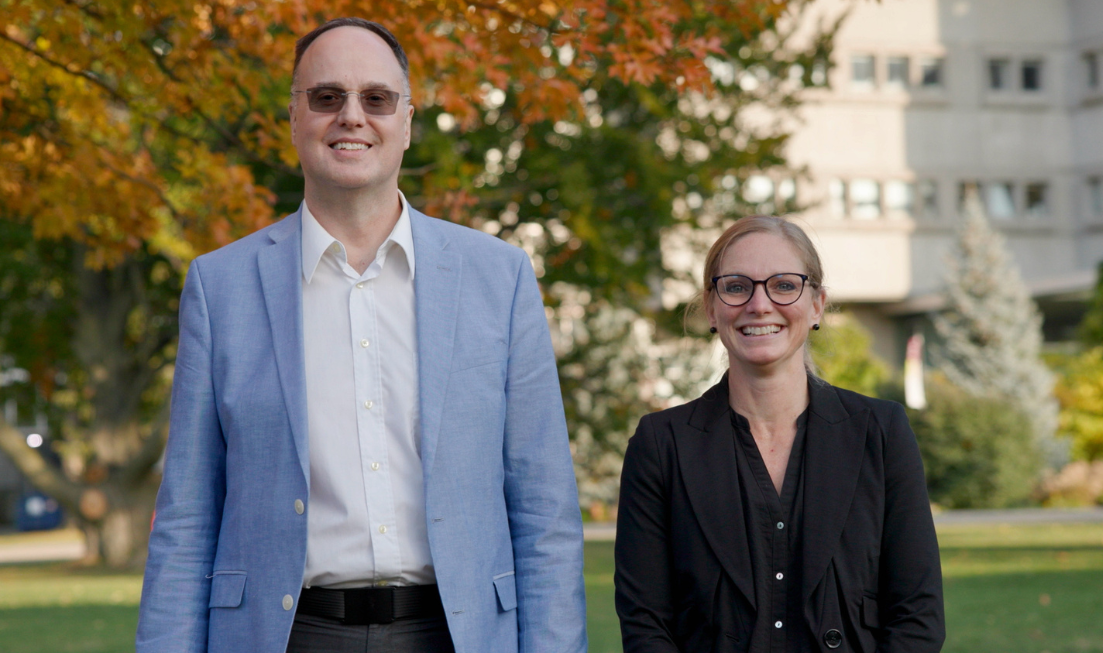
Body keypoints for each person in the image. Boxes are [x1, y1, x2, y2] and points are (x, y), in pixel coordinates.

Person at [136, 18, 586, 653]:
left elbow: (545, 513)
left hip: (460, 634)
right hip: (284, 635)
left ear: (406, 121)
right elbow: (187, 516)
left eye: (376, 99)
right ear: (294, 120)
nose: (352, 116)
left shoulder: (500, 278)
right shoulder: (220, 288)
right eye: (326, 98)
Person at [614, 216, 944, 653]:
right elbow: (646, 625)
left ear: (818, 304)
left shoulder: (880, 433)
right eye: (736, 286)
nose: (759, 304)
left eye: (784, 285)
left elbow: (917, 617)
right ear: (712, 308)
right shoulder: (661, 445)